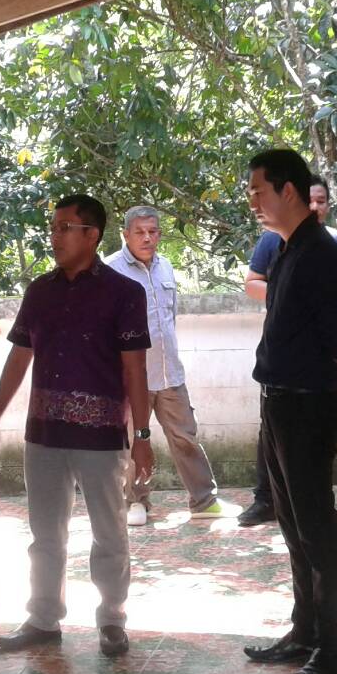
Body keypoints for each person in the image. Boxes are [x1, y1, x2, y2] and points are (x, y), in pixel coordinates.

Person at [0, 194, 155, 658]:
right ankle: (43, 619)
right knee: (44, 535)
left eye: (65, 228)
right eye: (53, 227)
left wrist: (142, 436)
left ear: (92, 235)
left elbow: (135, 369)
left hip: (102, 439)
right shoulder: (40, 291)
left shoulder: (124, 293)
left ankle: (112, 619)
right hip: (44, 437)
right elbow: (19, 357)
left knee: (109, 534)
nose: (54, 237)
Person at [240, 150, 337, 674]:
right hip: (281, 400)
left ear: (288, 190)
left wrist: (330, 381)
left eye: (258, 190)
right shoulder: (288, 248)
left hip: (307, 404)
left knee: (317, 528)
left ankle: (335, 649)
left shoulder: (319, 253)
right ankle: (306, 631)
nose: (252, 200)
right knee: (292, 524)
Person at [239, 173, 337, 527]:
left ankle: (309, 508)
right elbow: (251, 283)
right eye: (309, 200)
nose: (314, 207)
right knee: (271, 434)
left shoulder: (336, 245)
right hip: (282, 363)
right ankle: (265, 499)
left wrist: (321, 297)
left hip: (320, 359)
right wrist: (289, 295)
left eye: (321, 201)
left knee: (311, 495)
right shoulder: (274, 241)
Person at [106, 205, 231, 524]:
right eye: (139, 232)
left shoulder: (166, 267)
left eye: (153, 231)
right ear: (126, 234)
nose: (147, 238)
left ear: (159, 234)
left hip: (169, 373)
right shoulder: (109, 271)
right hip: (131, 378)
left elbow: (169, 318)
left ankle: (204, 502)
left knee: (186, 436)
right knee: (134, 441)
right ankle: (136, 502)